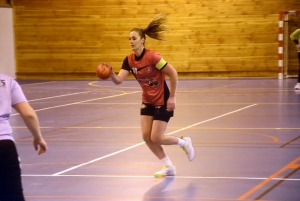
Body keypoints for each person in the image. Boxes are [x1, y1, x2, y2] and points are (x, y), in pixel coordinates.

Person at [103, 13, 195, 178]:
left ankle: (184, 142)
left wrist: (172, 97)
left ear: (142, 40)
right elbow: (119, 80)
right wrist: (110, 73)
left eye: (134, 38)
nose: (130, 41)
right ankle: (168, 166)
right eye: (129, 38)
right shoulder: (129, 61)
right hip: (148, 101)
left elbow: (173, 73)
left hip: (162, 99)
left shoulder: (153, 57)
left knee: (156, 137)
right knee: (146, 137)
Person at [0, 73, 47, 201]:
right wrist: (38, 137)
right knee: (12, 194)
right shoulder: (7, 81)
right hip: (4, 145)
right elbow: (28, 114)